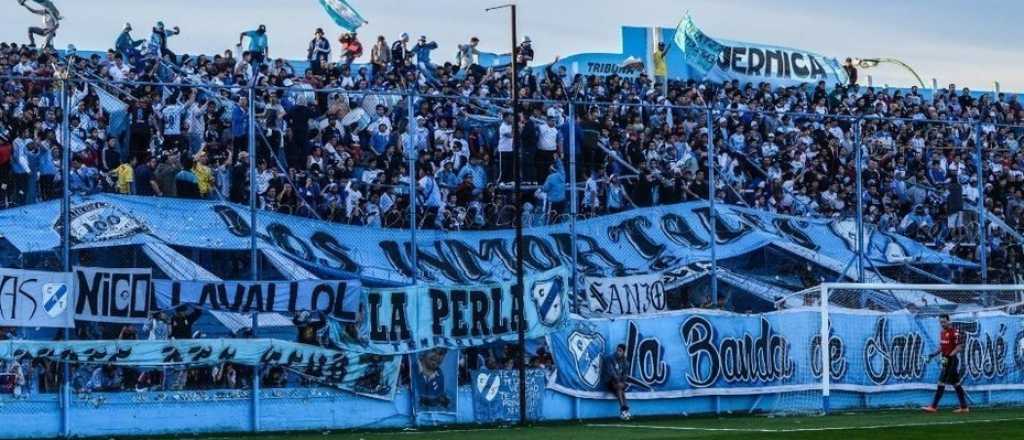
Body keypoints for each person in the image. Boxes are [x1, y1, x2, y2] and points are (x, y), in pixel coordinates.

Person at [922, 314, 969, 413]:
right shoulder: (942, 333)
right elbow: (942, 347)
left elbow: (959, 347)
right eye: (941, 322)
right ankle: (964, 407)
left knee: (941, 382)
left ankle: (933, 406)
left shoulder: (954, 332)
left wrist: (949, 356)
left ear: (949, 321)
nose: (942, 324)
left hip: (951, 361)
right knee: (956, 384)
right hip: (946, 360)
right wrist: (933, 354)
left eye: (944, 322)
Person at [604, 344, 631, 420]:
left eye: (620, 351)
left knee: (620, 388)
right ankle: (625, 409)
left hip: (619, 383)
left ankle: (624, 410)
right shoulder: (609, 359)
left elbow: (625, 375)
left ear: (623, 352)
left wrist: (622, 381)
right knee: (619, 387)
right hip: (609, 381)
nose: (618, 352)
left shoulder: (625, 362)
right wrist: (619, 381)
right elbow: (611, 373)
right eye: (617, 350)